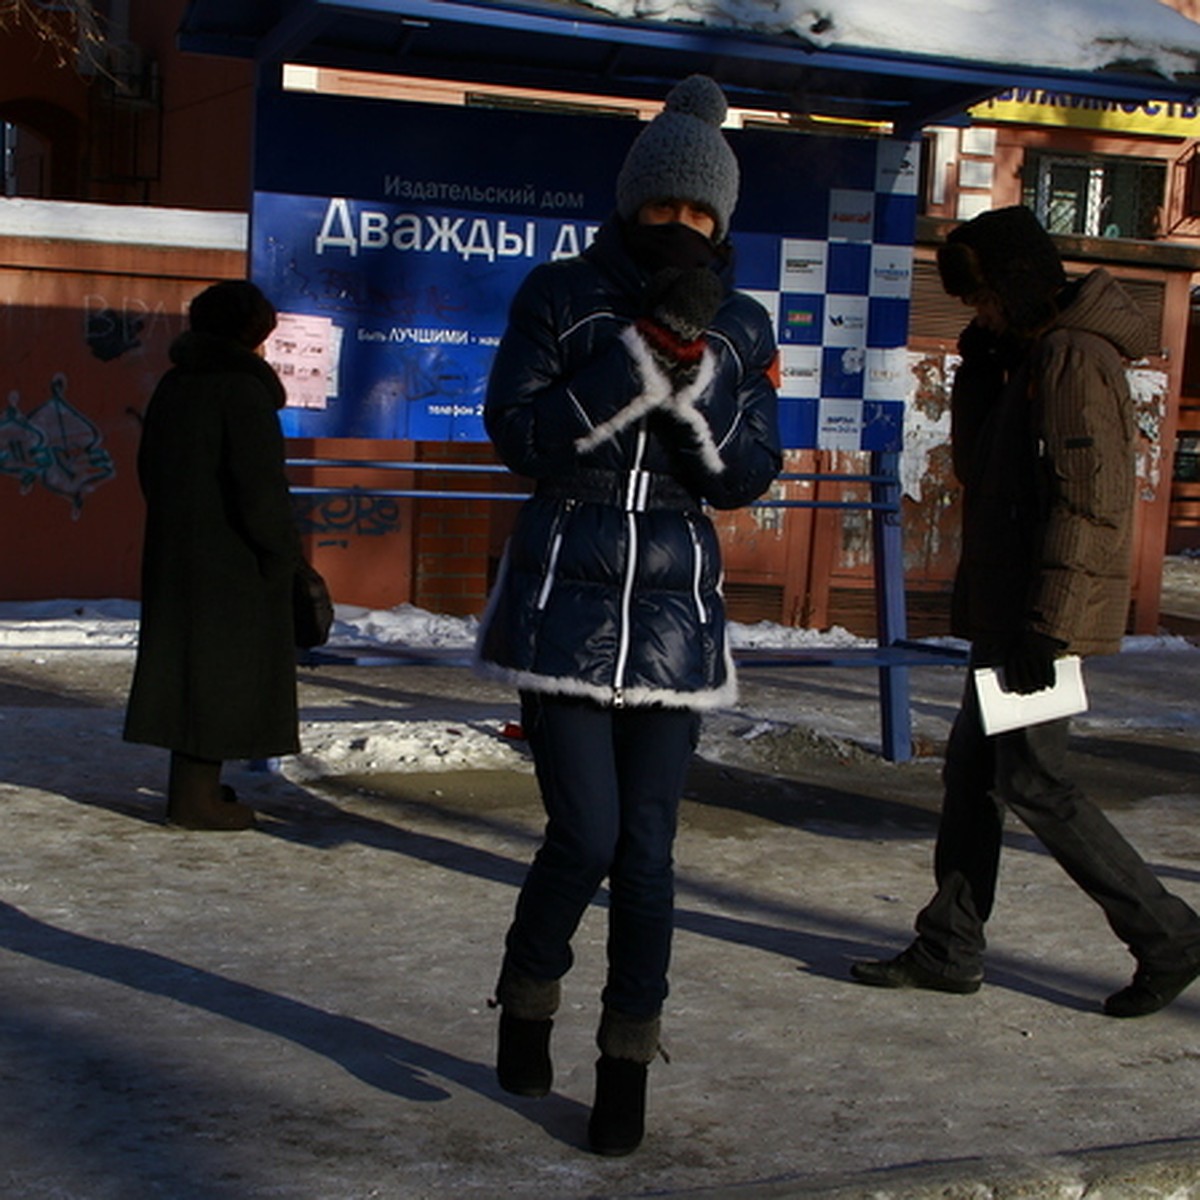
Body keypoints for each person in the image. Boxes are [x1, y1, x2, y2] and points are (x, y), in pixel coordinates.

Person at [475, 75, 781, 1154]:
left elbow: (747, 474)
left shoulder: (744, 321)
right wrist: (641, 358)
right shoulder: (560, 295)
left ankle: (625, 1068)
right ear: (632, 200)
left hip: (675, 621)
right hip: (565, 597)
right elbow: (519, 435)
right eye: (666, 207)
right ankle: (527, 991)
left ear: (722, 218)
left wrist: (697, 389)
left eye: (702, 214)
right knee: (587, 832)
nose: (682, 227)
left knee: (648, 852)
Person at [850, 205, 1200, 1018]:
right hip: (1014, 613)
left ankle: (1168, 935)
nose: (981, 314)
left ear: (1016, 283)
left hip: (1039, 617)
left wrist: (1051, 621)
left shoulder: (1076, 360)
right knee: (975, 776)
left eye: (984, 301)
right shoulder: (1036, 356)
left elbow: (1093, 502)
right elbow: (979, 468)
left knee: (1036, 782)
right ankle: (949, 946)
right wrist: (979, 372)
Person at [124, 280, 302, 831]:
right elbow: (259, 491)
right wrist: (282, 559)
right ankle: (196, 801)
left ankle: (193, 787)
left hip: (178, 553)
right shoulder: (242, 392)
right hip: (233, 566)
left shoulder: (176, 384)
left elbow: (148, 467)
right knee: (222, 678)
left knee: (188, 674)